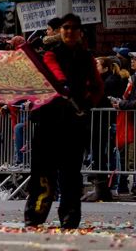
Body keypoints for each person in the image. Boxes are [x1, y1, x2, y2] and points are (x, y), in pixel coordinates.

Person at [25, 13, 103, 229]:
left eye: (73, 28)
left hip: (73, 123)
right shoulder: (51, 54)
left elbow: (97, 86)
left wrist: (87, 104)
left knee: (71, 174)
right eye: (66, 28)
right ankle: (35, 214)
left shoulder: (86, 57)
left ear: (80, 32)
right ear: (61, 31)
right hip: (49, 121)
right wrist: (62, 86)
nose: (69, 32)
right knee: (43, 172)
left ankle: (70, 217)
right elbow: (54, 71)